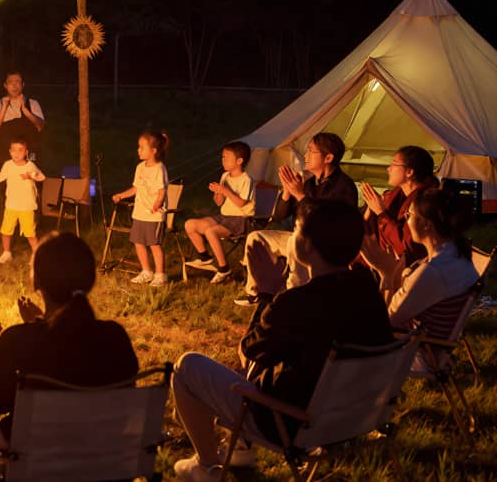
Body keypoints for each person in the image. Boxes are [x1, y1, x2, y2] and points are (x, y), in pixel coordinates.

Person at [171, 199, 392, 481]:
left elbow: (250, 352)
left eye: (296, 230)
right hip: (356, 415)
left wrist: (267, 295)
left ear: (307, 246)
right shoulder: (366, 289)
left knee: (188, 366)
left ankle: (206, 465)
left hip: (291, 422)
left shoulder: (296, 303)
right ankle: (239, 448)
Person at [0, 232, 138, 436]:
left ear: (35, 281)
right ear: (90, 279)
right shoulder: (115, 337)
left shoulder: (17, 340)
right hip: (104, 459)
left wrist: (36, 328)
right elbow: (126, 396)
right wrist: (41, 324)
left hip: (36, 461)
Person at [235, 132, 357, 308]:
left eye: (311, 151)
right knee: (257, 238)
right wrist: (286, 190)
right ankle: (258, 292)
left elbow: (327, 222)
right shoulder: (309, 183)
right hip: (300, 236)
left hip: (325, 245)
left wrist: (300, 195)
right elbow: (280, 216)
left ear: (328, 157)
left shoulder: (343, 186)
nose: (305, 155)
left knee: (295, 242)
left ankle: (293, 297)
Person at [386, 188, 478, 354]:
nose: (406, 221)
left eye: (409, 215)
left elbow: (387, 321)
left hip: (416, 350)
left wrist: (386, 274)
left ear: (427, 224)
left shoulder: (432, 272)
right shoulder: (458, 255)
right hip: (429, 342)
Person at [358, 145, 439, 281]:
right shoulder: (396, 195)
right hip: (379, 262)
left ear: (409, 172)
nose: (388, 169)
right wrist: (371, 211)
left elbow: (406, 247)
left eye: (394, 164)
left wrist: (381, 212)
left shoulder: (423, 203)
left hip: (404, 270)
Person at [184, 141, 255, 284]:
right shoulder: (225, 176)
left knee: (211, 232)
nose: (223, 160)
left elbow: (242, 203)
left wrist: (226, 191)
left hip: (240, 219)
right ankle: (204, 257)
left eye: (226, 157)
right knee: (190, 224)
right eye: (222, 157)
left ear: (239, 161)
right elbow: (219, 203)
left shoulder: (246, 179)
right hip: (224, 216)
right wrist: (218, 193)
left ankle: (224, 269)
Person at [112, 131, 170, 286]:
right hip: (139, 213)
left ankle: (160, 274)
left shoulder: (160, 169)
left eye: (142, 147)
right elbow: (135, 188)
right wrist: (121, 195)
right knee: (138, 242)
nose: (138, 150)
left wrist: (157, 203)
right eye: (139, 147)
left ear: (153, 151)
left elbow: (162, 191)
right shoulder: (140, 167)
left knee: (154, 244)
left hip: (154, 215)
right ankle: (146, 271)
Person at [0, 138, 47, 264]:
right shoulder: (8, 165)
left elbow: (42, 177)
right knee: (5, 231)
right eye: (13, 150)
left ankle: (36, 255)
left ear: (26, 152)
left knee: (30, 233)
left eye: (20, 150)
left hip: (27, 206)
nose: (16, 153)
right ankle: (6, 253)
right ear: (9, 151)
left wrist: (30, 175)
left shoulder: (30, 165)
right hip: (11, 205)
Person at [0, 71, 45, 165]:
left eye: (17, 82)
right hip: (7, 158)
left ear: (22, 85)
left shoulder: (32, 103)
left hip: (30, 157)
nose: (14, 85)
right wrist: (4, 107)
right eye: (10, 82)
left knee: (31, 178)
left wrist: (26, 110)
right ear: (5, 85)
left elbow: (40, 126)